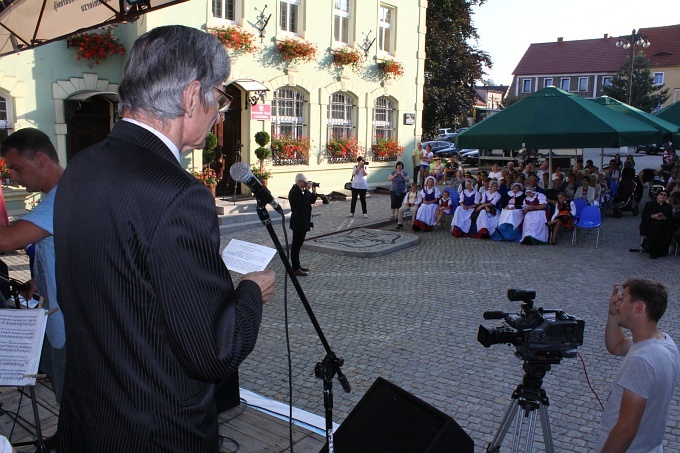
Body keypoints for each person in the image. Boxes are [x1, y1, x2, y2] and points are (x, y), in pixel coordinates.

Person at [53, 26, 276, 452]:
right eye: (219, 98)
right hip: (156, 433)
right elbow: (214, 352)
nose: (219, 113)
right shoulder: (178, 194)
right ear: (192, 96)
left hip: (89, 418)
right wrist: (248, 290)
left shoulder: (81, 167)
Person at [0, 129, 65, 406]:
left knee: (71, 395)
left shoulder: (62, 197)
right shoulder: (54, 195)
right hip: (54, 317)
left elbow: (8, 239)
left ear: (40, 160)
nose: (12, 176)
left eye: (16, 168)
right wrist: (39, 279)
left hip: (71, 325)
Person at [597, 279, 680, 452]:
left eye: (623, 298)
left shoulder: (642, 360)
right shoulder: (664, 342)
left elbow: (626, 430)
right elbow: (616, 345)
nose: (618, 302)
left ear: (638, 307)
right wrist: (613, 315)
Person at [288, 173, 317, 276]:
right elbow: (304, 202)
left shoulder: (301, 191)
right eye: (305, 182)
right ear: (299, 182)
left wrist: (313, 190)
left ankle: (298, 266)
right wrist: (308, 191)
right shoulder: (294, 192)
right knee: (296, 246)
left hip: (303, 221)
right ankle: (295, 268)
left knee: (299, 245)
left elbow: (311, 201)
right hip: (298, 222)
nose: (306, 184)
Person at [640, 189, 676, 259]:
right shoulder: (649, 204)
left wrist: (664, 218)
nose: (663, 196)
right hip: (649, 225)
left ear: (667, 198)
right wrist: (652, 216)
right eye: (661, 194)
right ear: (657, 196)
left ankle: (654, 250)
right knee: (656, 226)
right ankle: (654, 250)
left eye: (665, 195)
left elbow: (671, 220)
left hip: (663, 227)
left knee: (659, 226)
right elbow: (644, 217)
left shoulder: (669, 207)